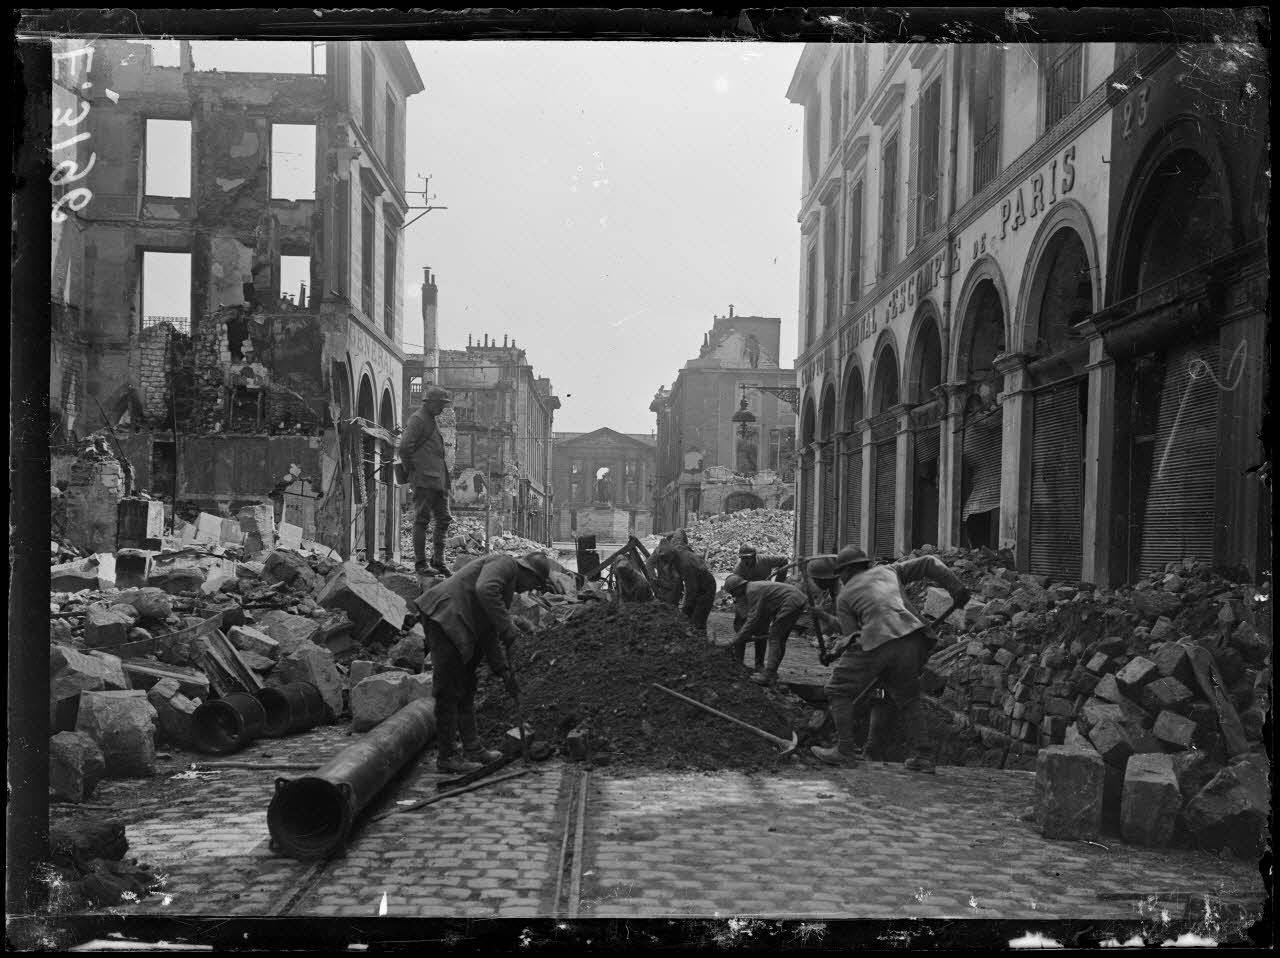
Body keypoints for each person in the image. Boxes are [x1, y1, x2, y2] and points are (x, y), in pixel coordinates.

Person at [811, 546, 969, 773]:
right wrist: (956, 588)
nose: (841, 579)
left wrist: (833, 653)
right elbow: (929, 562)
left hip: (877, 640)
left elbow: (852, 637)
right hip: (913, 639)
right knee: (908, 698)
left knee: (838, 690)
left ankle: (844, 750)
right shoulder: (889, 571)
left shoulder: (845, 596)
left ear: (846, 571)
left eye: (840, 574)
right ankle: (923, 756)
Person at [414, 551, 553, 773]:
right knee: (448, 690)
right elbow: (484, 589)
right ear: (528, 571)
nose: (529, 590)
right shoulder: (506, 563)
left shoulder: (504, 592)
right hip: (446, 615)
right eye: (533, 584)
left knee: (468, 687)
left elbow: (488, 633)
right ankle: (447, 757)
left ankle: (473, 748)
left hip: (462, 624)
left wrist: (503, 671)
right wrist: (507, 627)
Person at [397, 385, 453, 575]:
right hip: (424, 480)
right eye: (440, 404)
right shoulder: (418, 419)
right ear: (430, 402)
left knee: (444, 519)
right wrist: (412, 472)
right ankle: (421, 564)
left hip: (439, 481)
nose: (442, 408)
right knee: (422, 520)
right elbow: (404, 448)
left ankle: (438, 561)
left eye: (444, 405)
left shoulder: (430, 419)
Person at [722, 573, 807, 685]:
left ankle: (768, 675)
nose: (734, 596)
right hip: (797, 599)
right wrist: (746, 634)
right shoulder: (753, 587)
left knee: (775, 638)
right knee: (780, 639)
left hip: (791, 601)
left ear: (738, 588)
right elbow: (762, 614)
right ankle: (772, 673)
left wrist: (736, 639)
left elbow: (753, 618)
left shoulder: (751, 591)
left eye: (733, 593)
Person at [729, 546, 791, 669]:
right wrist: (744, 613)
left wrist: (779, 582)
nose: (746, 561)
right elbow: (738, 593)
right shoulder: (739, 570)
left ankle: (759, 665)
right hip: (746, 598)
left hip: (764, 597)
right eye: (743, 558)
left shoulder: (765, 560)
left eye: (748, 558)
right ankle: (738, 662)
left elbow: (784, 560)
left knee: (762, 630)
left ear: (754, 556)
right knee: (741, 627)